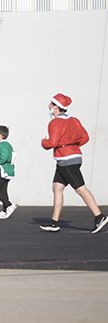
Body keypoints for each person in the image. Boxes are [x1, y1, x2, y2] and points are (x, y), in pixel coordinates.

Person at [39, 93, 107, 234]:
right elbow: (85, 137)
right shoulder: (74, 120)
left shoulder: (55, 122)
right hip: (72, 157)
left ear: (57, 107)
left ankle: (99, 216)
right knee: (57, 187)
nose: (49, 106)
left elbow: (52, 143)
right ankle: (54, 222)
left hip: (66, 159)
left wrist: (43, 142)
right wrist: (73, 145)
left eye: (51, 104)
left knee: (80, 188)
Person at [0, 125, 17, 219]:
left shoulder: (2, 145)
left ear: (0, 135)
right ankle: (5, 211)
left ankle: (9, 205)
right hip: (8, 171)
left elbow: (3, 157)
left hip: (2, 170)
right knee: (3, 191)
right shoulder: (8, 145)